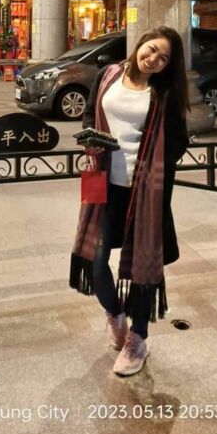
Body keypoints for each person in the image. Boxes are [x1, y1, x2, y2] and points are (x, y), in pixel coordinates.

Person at [69, 25, 189, 377]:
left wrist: (150, 161)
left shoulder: (164, 93)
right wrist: (92, 140)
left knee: (141, 268)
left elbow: (179, 141)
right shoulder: (108, 74)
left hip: (144, 191)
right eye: (151, 49)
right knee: (94, 259)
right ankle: (115, 312)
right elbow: (89, 113)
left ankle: (138, 337)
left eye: (163, 58)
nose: (153, 59)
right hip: (100, 181)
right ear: (140, 45)